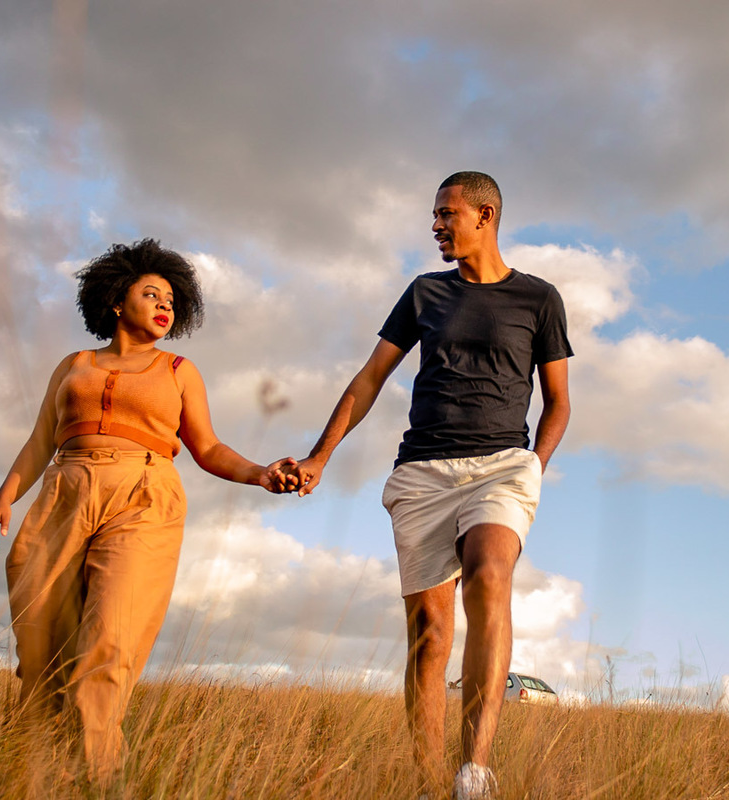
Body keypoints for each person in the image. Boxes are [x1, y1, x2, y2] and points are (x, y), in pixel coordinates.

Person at [291, 172, 572, 799]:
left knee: (490, 574)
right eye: (435, 216)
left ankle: (474, 772)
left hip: (502, 466)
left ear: (485, 215)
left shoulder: (538, 298)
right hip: (422, 472)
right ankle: (425, 784)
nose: (437, 226)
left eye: (447, 214)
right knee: (430, 636)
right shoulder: (425, 293)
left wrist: (534, 466)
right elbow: (370, 378)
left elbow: (558, 401)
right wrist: (320, 455)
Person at [0, 239, 296, 782]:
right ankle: (37, 777)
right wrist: (4, 497)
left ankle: (100, 781)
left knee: (109, 642)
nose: (164, 304)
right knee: (39, 652)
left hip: (144, 494)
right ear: (114, 300)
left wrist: (261, 473)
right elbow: (40, 441)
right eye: (151, 294)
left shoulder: (178, 370)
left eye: (171, 299)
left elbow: (208, 447)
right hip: (62, 492)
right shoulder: (74, 365)